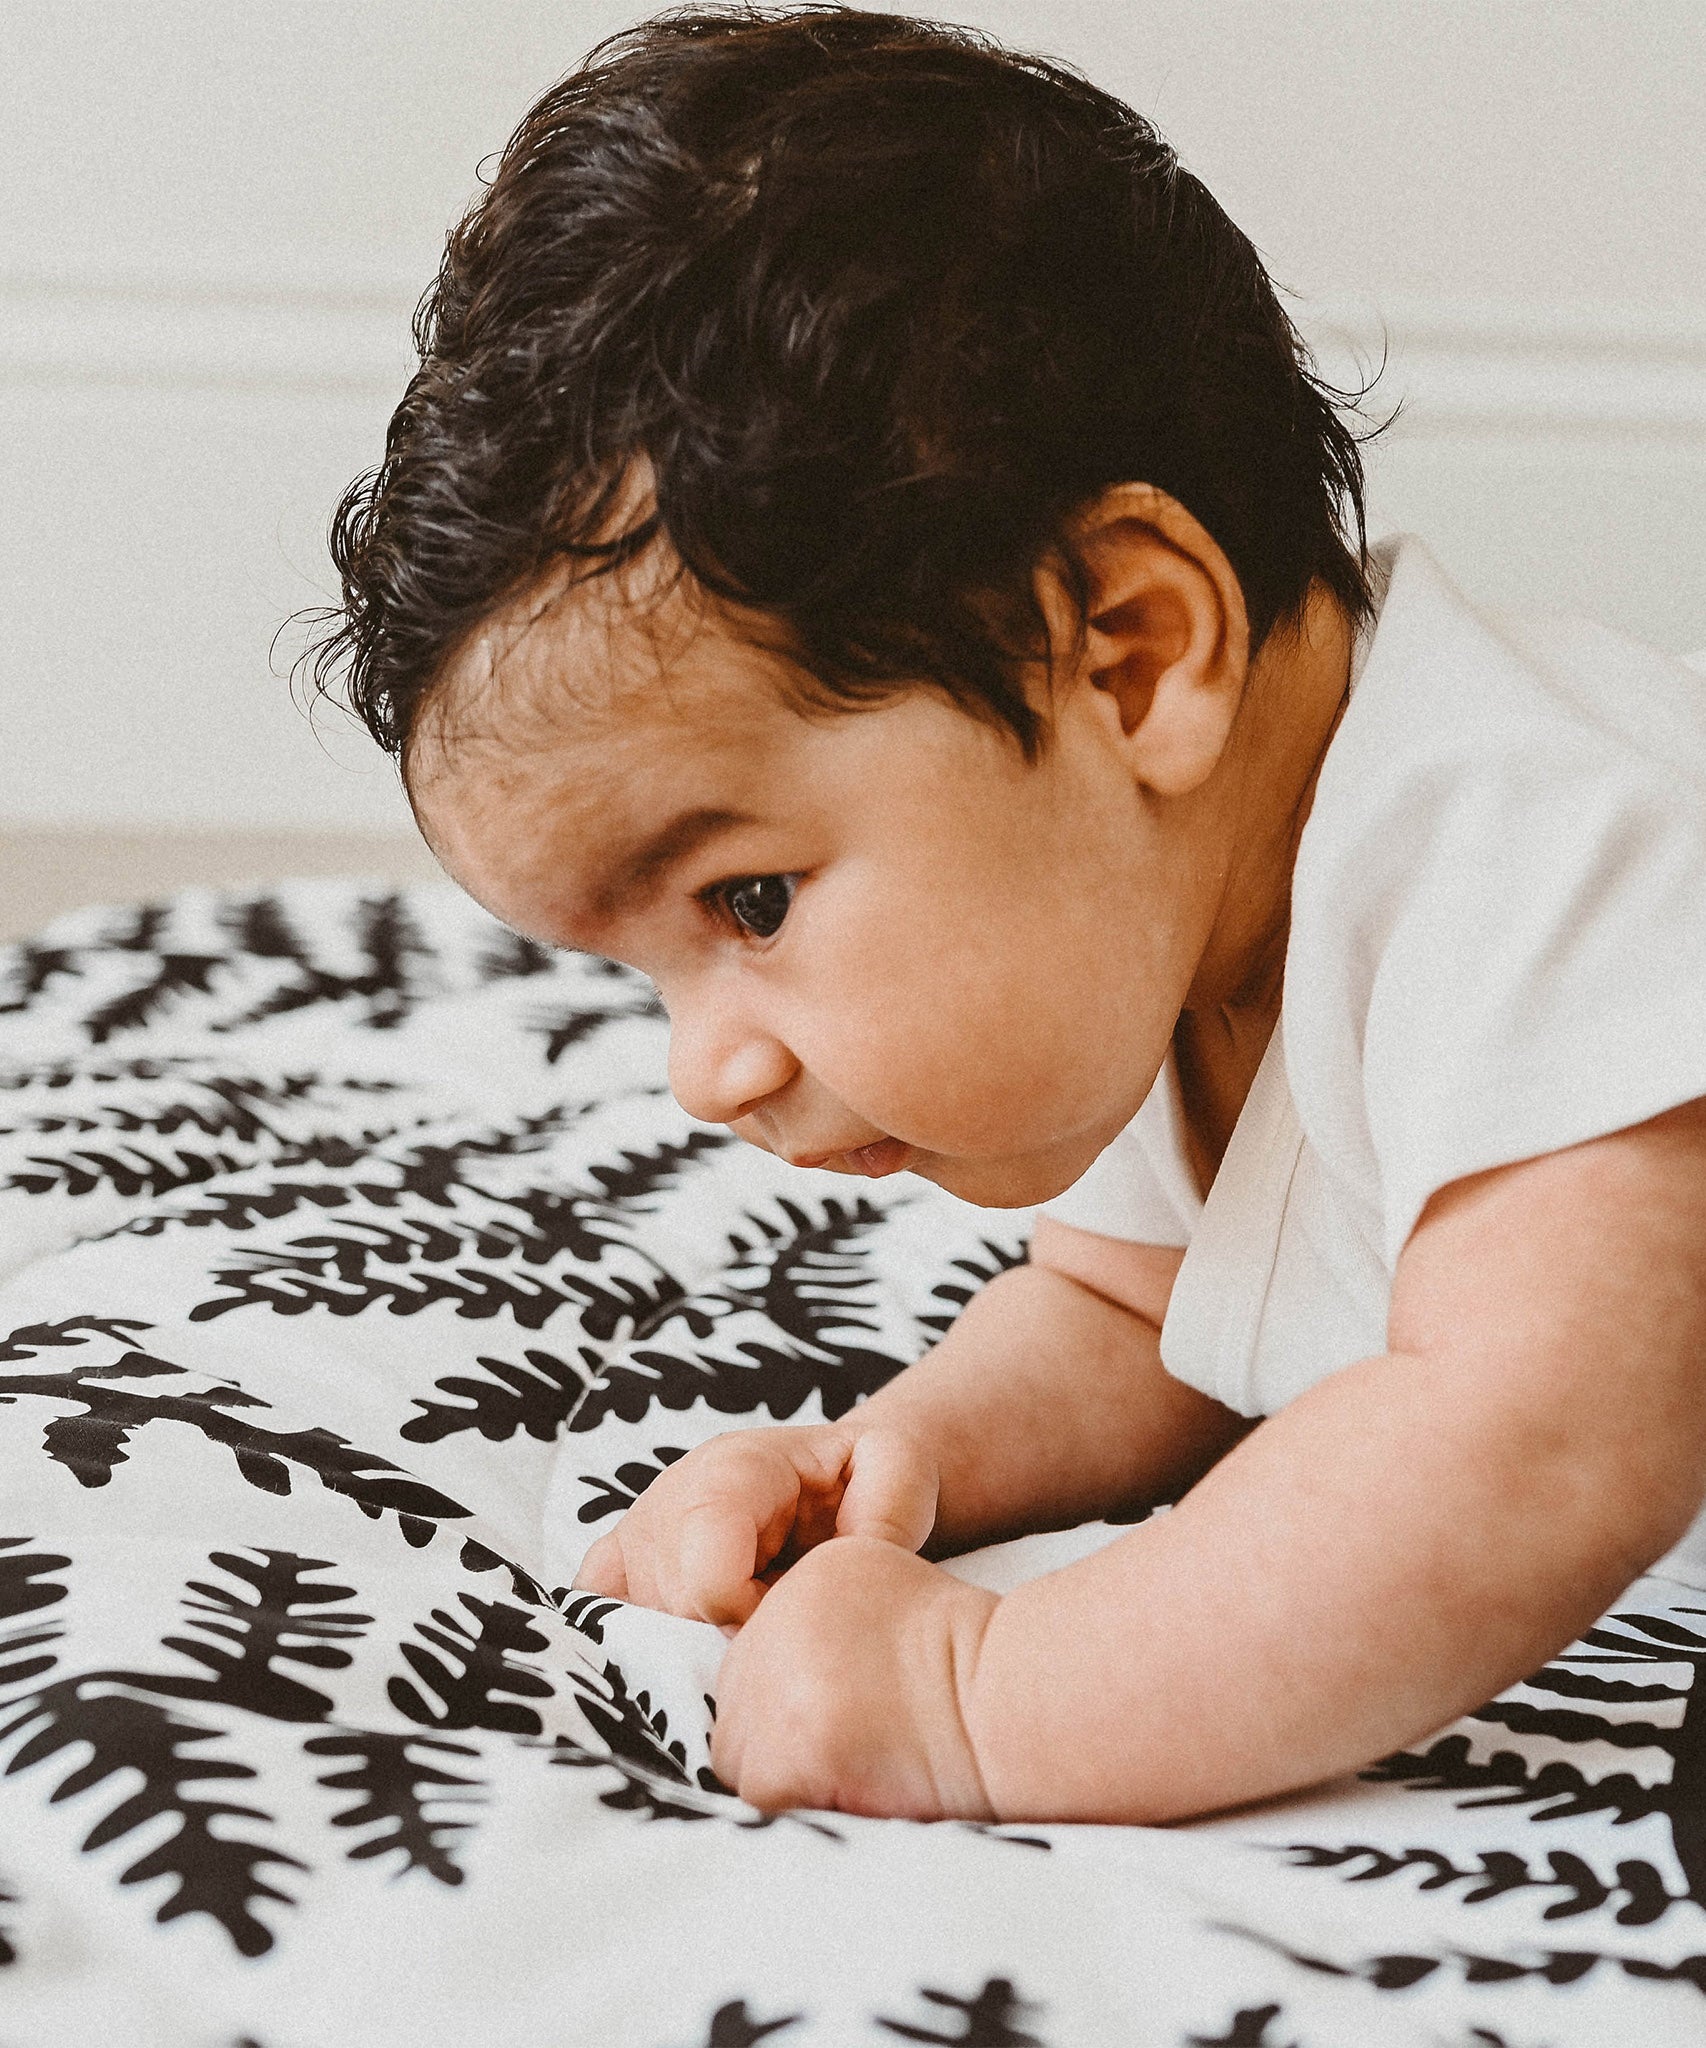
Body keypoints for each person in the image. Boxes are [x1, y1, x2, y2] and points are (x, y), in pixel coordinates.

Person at [308, 6, 1706, 1823]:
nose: (706, 1073)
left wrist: (978, 1700)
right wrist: (894, 1464)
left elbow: (1530, 1442)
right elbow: (1145, 1323)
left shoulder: (1546, 853)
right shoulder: (1162, 925)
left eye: (750, 898)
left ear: (1126, 655)